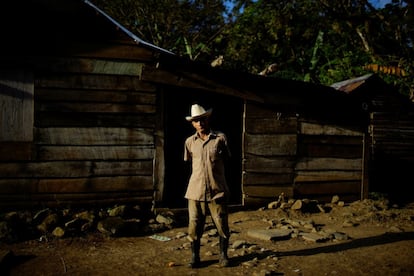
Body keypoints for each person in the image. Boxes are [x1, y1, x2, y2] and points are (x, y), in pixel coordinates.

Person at [183, 103, 231, 268]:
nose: (200, 123)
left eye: (202, 119)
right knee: (194, 225)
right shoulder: (189, 142)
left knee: (222, 224)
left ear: (207, 119)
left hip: (217, 191)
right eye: (196, 121)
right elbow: (189, 163)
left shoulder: (220, 139)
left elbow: (227, 160)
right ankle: (195, 257)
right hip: (195, 192)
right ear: (192, 123)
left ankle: (223, 255)